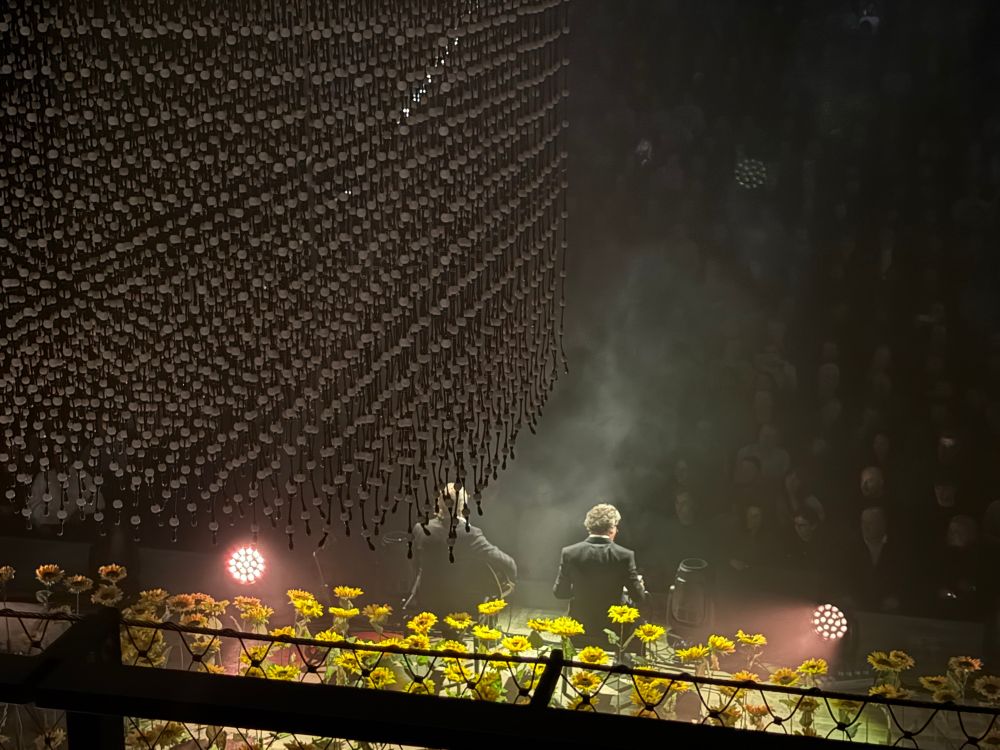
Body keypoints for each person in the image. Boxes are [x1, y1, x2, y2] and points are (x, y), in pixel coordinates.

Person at [407, 484, 517, 617]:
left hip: (427, 603)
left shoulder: (420, 528)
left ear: (438, 503)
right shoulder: (470, 534)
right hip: (462, 606)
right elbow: (507, 564)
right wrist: (512, 575)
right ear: (463, 506)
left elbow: (415, 566)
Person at [553, 503, 648, 644]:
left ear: (589, 527)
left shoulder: (569, 553)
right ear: (612, 528)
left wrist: (583, 589)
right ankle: (624, 663)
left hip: (579, 625)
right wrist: (638, 585)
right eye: (616, 527)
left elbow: (560, 593)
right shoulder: (625, 555)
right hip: (614, 628)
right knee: (642, 625)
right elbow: (638, 597)